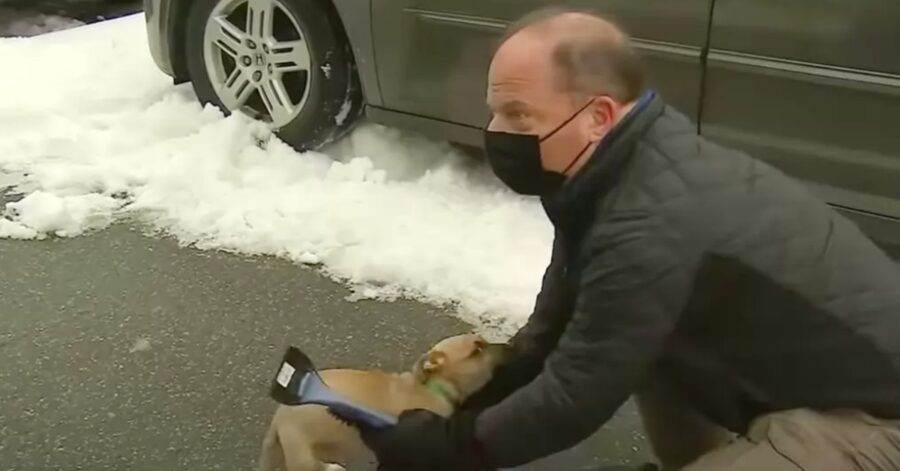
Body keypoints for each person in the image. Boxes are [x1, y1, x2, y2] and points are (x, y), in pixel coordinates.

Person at [329, 6, 900, 471]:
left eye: (518, 115)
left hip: (874, 422)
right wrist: (477, 402)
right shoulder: (611, 172)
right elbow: (565, 325)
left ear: (598, 117)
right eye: (495, 112)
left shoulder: (648, 219)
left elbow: (577, 394)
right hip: (805, 386)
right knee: (643, 340)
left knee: (632, 343)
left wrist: (451, 450)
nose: (496, 133)